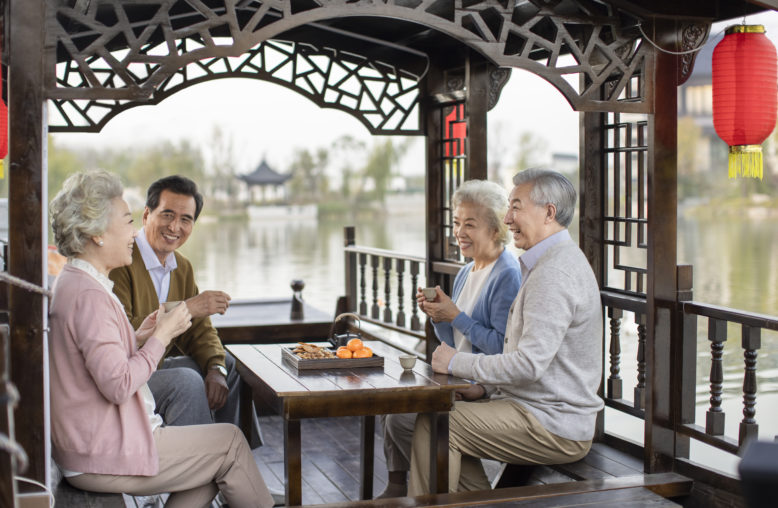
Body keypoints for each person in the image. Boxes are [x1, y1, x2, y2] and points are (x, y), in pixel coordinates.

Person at [48, 170, 273, 507]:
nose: (131, 234)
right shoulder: (88, 296)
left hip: (92, 439)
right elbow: (119, 384)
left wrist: (141, 334)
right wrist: (162, 334)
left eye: (186, 219)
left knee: (220, 449)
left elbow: (102, 349)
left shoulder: (80, 283)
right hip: (100, 448)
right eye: (126, 222)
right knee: (229, 444)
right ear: (96, 234)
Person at [407, 168, 604, 495]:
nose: (508, 217)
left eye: (516, 206)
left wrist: (457, 364)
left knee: (439, 424)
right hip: (532, 408)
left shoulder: (553, 273)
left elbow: (527, 365)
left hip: (554, 424)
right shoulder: (545, 263)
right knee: (440, 417)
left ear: (548, 213)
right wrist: (483, 389)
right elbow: (525, 361)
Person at [378, 179, 522, 498]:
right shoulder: (465, 271)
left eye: (470, 224)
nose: (459, 232)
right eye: (457, 223)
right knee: (397, 416)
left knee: (418, 422)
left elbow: (502, 347)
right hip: (457, 380)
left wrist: (456, 316)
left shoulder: (507, 275)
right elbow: (455, 339)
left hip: (487, 389)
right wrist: (438, 315)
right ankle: (404, 486)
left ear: (496, 229)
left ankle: (438, 493)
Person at [109, 175, 260, 440]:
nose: (175, 226)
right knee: (187, 380)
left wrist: (215, 369)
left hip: (156, 365)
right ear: (146, 214)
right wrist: (188, 307)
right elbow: (122, 334)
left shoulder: (182, 266)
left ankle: (237, 458)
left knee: (229, 366)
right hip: (128, 374)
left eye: (186, 219)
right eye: (167, 214)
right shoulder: (121, 260)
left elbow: (199, 329)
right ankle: (197, 466)